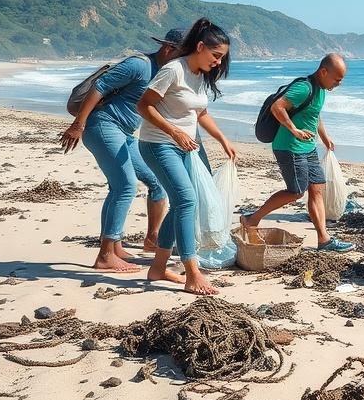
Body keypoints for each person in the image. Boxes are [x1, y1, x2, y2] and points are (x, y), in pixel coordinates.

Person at [58, 28, 183, 273]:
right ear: (169, 49)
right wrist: (78, 125)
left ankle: (145, 240)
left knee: (156, 182)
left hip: (124, 133)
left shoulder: (164, 71)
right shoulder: (139, 65)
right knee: (125, 186)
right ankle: (105, 255)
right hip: (103, 125)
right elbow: (100, 86)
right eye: (182, 56)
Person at [137, 18, 238, 296]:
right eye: (216, 56)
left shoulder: (199, 75)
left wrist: (222, 140)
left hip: (184, 147)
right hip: (158, 144)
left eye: (222, 58)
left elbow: (200, 113)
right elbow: (143, 105)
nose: (218, 62)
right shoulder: (173, 70)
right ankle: (193, 272)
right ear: (201, 46)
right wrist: (174, 132)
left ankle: (157, 268)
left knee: (182, 202)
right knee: (187, 200)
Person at [241, 54, 354, 252]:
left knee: (317, 188)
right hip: (289, 147)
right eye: (337, 79)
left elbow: (314, 114)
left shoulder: (321, 89)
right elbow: (278, 107)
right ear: (323, 72)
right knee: (295, 192)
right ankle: (252, 219)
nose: (339, 84)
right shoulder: (304, 88)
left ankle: (324, 239)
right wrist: (293, 129)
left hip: (308, 147)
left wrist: (325, 137)